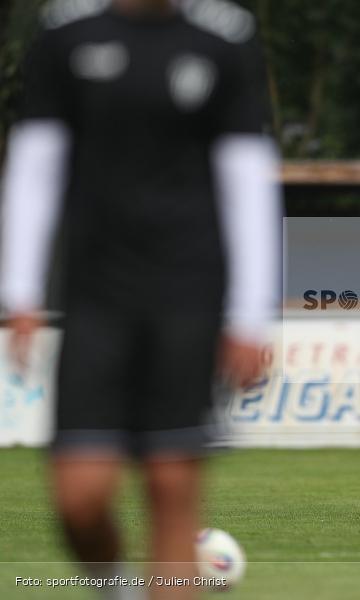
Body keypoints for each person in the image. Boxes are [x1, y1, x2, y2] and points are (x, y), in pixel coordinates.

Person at [0, 0, 280, 597]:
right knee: (79, 499)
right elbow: (34, 167)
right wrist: (18, 291)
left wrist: (250, 317)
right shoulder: (65, 33)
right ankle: (119, 589)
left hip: (188, 295)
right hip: (95, 296)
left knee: (171, 486)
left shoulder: (224, 38)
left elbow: (248, 182)